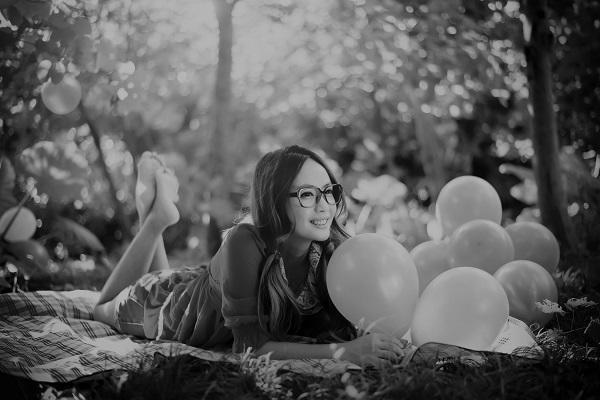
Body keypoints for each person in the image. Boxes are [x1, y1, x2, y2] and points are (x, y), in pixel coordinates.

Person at [94, 145, 409, 366]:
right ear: (276, 201)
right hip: (175, 311)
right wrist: (343, 352)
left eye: (328, 191)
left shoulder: (331, 251)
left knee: (167, 280)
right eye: (307, 194)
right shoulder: (244, 241)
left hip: (198, 286)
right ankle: (153, 222)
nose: (324, 205)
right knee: (99, 310)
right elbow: (249, 348)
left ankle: (157, 216)